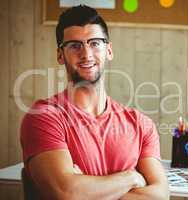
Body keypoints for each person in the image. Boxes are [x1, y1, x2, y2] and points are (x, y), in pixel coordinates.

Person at [20, 5, 169, 200]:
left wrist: (88, 190)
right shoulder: (44, 117)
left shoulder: (141, 125)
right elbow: (66, 193)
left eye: (95, 43)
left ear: (109, 50)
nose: (86, 54)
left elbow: (160, 195)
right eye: (75, 45)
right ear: (60, 55)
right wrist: (131, 178)